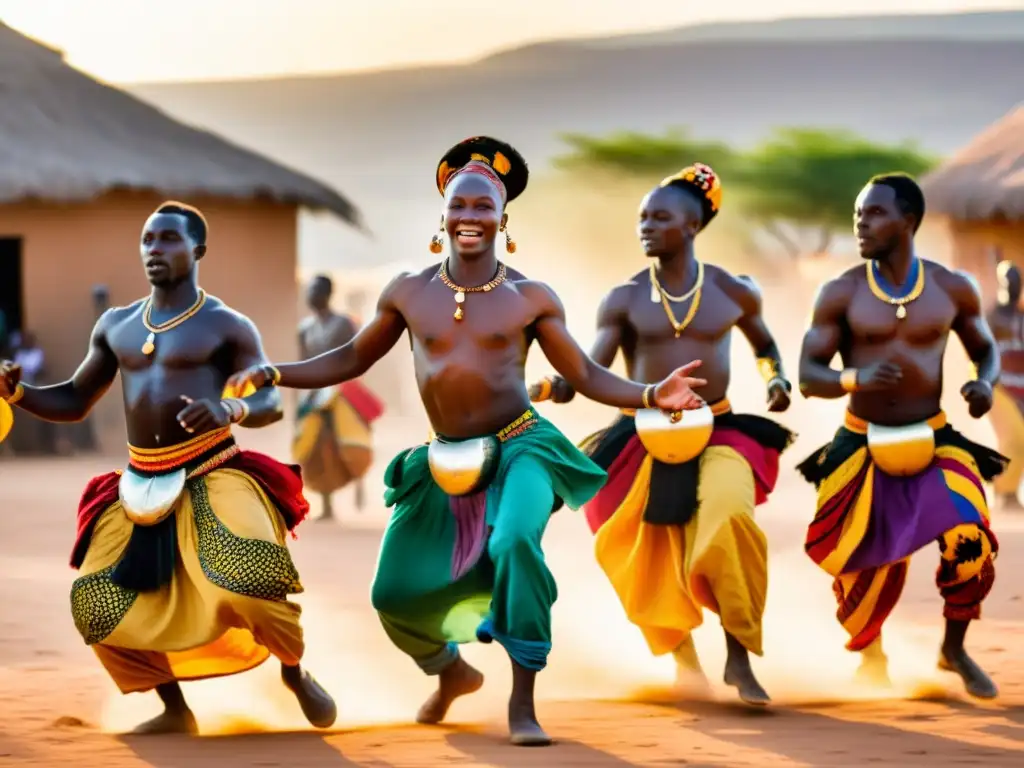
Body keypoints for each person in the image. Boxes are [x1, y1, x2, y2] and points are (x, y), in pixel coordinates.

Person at [227, 136, 707, 746]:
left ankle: (523, 701)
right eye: (460, 205)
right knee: (394, 593)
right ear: (443, 214)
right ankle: (450, 672)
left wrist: (649, 393)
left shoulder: (530, 298)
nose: (471, 218)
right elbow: (350, 358)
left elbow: (584, 374)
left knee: (514, 542)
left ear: (503, 219)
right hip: (443, 456)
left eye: (484, 207)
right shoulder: (407, 291)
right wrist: (275, 372)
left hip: (521, 446)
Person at [0, 201, 336, 734]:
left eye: (169, 240)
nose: (155, 250)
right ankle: (174, 710)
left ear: (198, 249)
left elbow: (269, 401)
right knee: (96, 602)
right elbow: (74, 398)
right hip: (141, 484)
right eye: (148, 240)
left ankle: (293, 671)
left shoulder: (227, 325)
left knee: (247, 578)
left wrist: (231, 408)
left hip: (215, 469)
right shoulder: (116, 325)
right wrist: (18, 393)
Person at [529, 163, 794, 706]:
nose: (645, 225)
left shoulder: (733, 292)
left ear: (693, 226)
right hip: (639, 434)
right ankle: (685, 663)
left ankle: (739, 656)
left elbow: (765, 347)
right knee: (637, 549)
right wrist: (551, 387)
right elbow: (587, 371)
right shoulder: (623, 299)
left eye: (660, 216)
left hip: (719, 428)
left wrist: (777, 379)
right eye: (641, 216)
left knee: (729, 519)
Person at [796, 173, 1006, 700]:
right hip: (860, 441)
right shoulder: (840, 292)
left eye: (874, 213)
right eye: (858, 214)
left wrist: (983, 382)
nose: (861, 222)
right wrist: (855, 378)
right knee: (861, 558)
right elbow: (808, 374)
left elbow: (986, 349)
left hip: (934, 438)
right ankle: (871, 655)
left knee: (971, 535)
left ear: (907, 220)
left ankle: (953, 648)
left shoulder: (952, 287)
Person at [295, 274, 384, 520]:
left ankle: (359, 483)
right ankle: (326, 502)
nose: (311, 296)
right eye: (309, 291)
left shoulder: (344, 323)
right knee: (317, 446)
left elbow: (356, 355)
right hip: (314, 394)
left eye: (316, 291)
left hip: (341, 390)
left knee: (347, 438)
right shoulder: (304, 329)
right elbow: (301, 364)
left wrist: (345, 385)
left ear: (327, 294)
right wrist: (300, 398)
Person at [986, 259, 1024, 511]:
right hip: (998, 388)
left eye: (1017, 283)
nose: (1013, 288)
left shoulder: (1021, 318)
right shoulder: (990, 316)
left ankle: (1008, 490)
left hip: (1020, 387)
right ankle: (1004, 491)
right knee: (1013, 437)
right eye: (1009, 282)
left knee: (1020, 439)